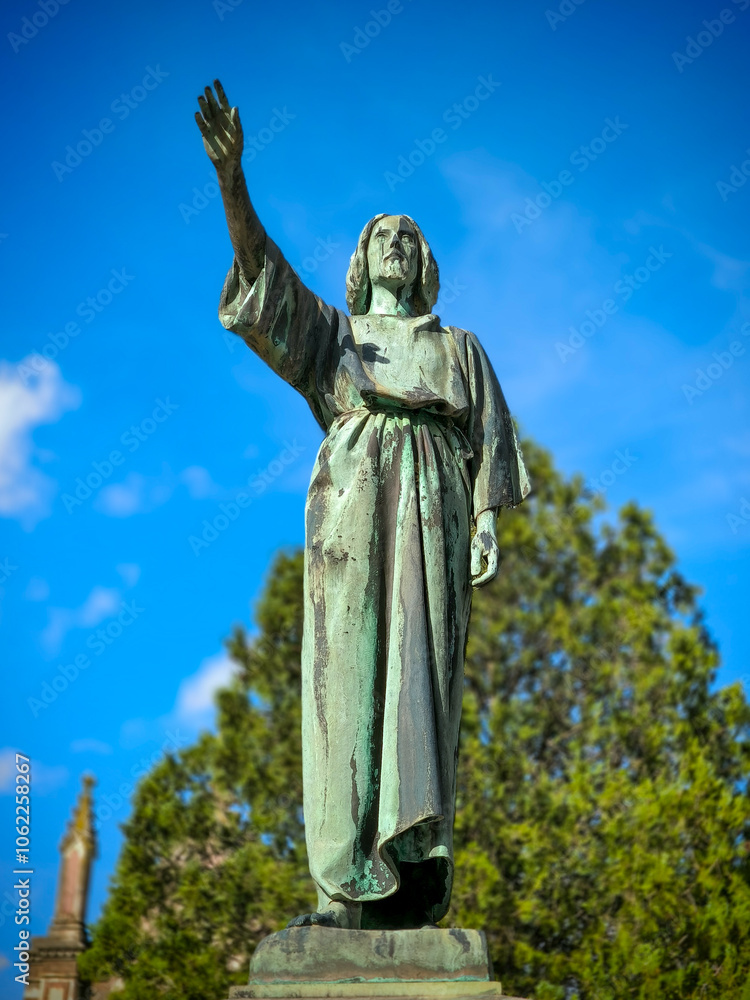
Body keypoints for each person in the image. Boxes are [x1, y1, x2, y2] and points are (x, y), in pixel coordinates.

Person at [195, 80, 530, 931]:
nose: (395, 243)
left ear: (423, 263)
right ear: (362, 258)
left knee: (419, 677)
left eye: (408, 236)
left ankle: (412, 868)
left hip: (435, 509)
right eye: (381, 235)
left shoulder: (460, 349)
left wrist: (486, 520)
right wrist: (233, 181)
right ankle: (343, 884)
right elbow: (263, 278)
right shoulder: (335, 337)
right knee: (344, 684)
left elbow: (490, 440)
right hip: (350, 505)